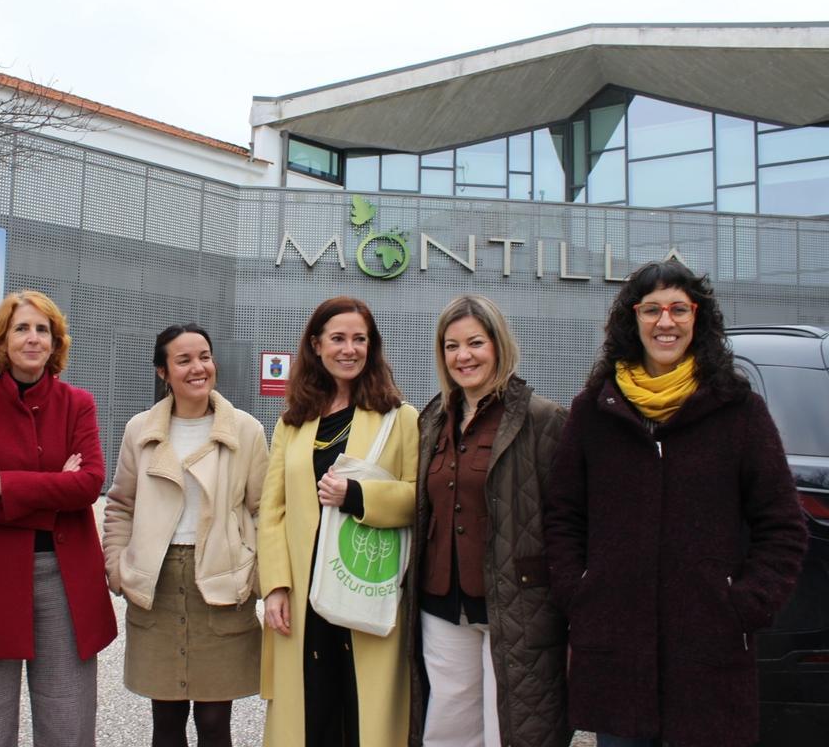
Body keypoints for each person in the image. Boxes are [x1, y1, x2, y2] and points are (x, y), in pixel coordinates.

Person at [544, 260, 808, 747]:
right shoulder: (594, 412)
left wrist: (744, 604)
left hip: (710, 655)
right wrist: (580, 592)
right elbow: (563, 517)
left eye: (679, 309)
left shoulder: (739, 412)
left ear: (697, 319)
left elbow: (784, 526)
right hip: (616, 656)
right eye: (651, 310)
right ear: (633, 319)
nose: (665, 322)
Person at [0, 290, 116, 747]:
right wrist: (52, 488)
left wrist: (2, 484)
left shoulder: (78, 403)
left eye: (43, 329)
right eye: (22, 328)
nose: (33, 338)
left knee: (67, 719)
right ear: (3, 340)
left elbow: (89, 484)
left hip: (65, 577)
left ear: (55, 341)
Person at [407, 295, 570, 747]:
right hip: (441, 601)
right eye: (451, 346)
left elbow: (567, 520)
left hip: (517, 603)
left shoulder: (544, 419)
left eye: (475, 343)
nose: (463, 356)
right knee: (449, 727)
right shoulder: (432, 421)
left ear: (498, 344)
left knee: (513, 730)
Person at [258, 296, 419, 747]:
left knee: (360, 708)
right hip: (304, 592)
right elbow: (272, 511)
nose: (349, 349)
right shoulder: (292, 423)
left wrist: (358, 495)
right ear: (316, 345)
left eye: (360, 339)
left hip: (364, 582)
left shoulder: (400, 418)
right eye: (338, 338)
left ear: (373, 347)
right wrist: (275, 586)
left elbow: (417, 499)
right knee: (312, 707)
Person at [103, 323, 270, 747]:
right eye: (184, 360)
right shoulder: (139, 430)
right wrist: (118, 568)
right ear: (164, 372)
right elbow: (120, 504)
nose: (198, 368)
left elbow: (263, 509)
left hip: (220, 582)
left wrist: (256, 577)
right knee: (167, 720)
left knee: (215, 721)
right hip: (157, 585)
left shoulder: (246, 430)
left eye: (204, 357)